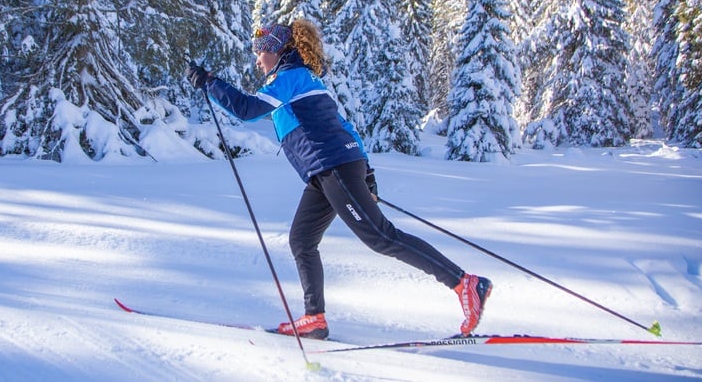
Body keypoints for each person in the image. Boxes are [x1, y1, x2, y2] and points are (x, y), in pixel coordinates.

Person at [185, 19, 491, 340]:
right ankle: (314, 318)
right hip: (327, 172)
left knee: (380, 236)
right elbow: (346, 127)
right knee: (302, 240)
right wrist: (367, 176)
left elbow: (247, 109)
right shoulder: (301, 78)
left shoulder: (292, 77)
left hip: (334, 167)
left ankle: (464, 283)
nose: (258, 60)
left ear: (276, 51)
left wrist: (209, 81)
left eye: (261, 52)